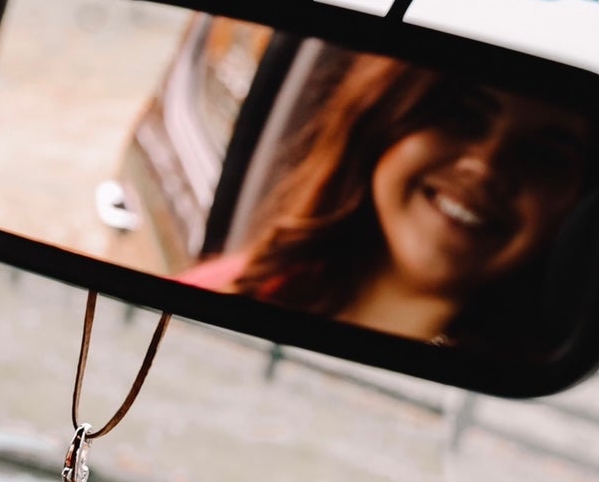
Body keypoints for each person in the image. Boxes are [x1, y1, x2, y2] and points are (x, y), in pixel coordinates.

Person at [183, 52, 595, 350]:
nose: (486, 166)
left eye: (545, 158)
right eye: (463, 117)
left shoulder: (531, 384)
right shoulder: (234, 290)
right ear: (384, 125)